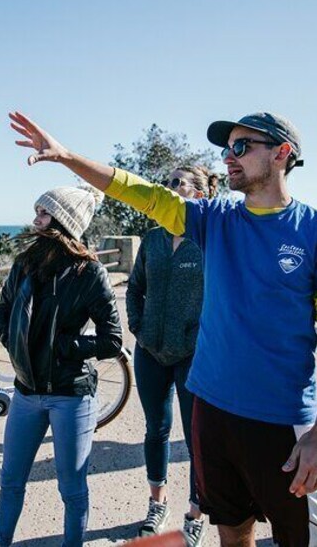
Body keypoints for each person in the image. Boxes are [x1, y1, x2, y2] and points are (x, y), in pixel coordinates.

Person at [10, 110, 317, 547]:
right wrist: (66, 157)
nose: (229, 157)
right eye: (226, 148)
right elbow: (143, 194)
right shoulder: (216, 219)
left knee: (306, 541)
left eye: (241, 147)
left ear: (282, 154)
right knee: (232, 532)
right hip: (212, 412)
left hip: (285, 421)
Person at [0, 185, 122, 547]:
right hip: (25, 393)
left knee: (72, 489)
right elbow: (2, 312)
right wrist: (14, 341)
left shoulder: (90, 273)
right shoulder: (24, 263)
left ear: (64, 221)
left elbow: (112, 340)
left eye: (44, 213)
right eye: (38, 211)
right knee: (11, 480)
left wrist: (63, 346)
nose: (36, 220)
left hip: (71, 396)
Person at [127, 165, 217, 544]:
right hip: (149, 351)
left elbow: (221, 296)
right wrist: (138, 327)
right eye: (168, 182)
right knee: (156, 430)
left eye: (177, 183)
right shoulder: (153, 239)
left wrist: (198, 338)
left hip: (192, 356)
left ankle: (195, 514)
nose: (169, 188)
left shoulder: (210, 241)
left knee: (196, 436)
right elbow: (135, 288)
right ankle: (156, 503)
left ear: (198, 194)